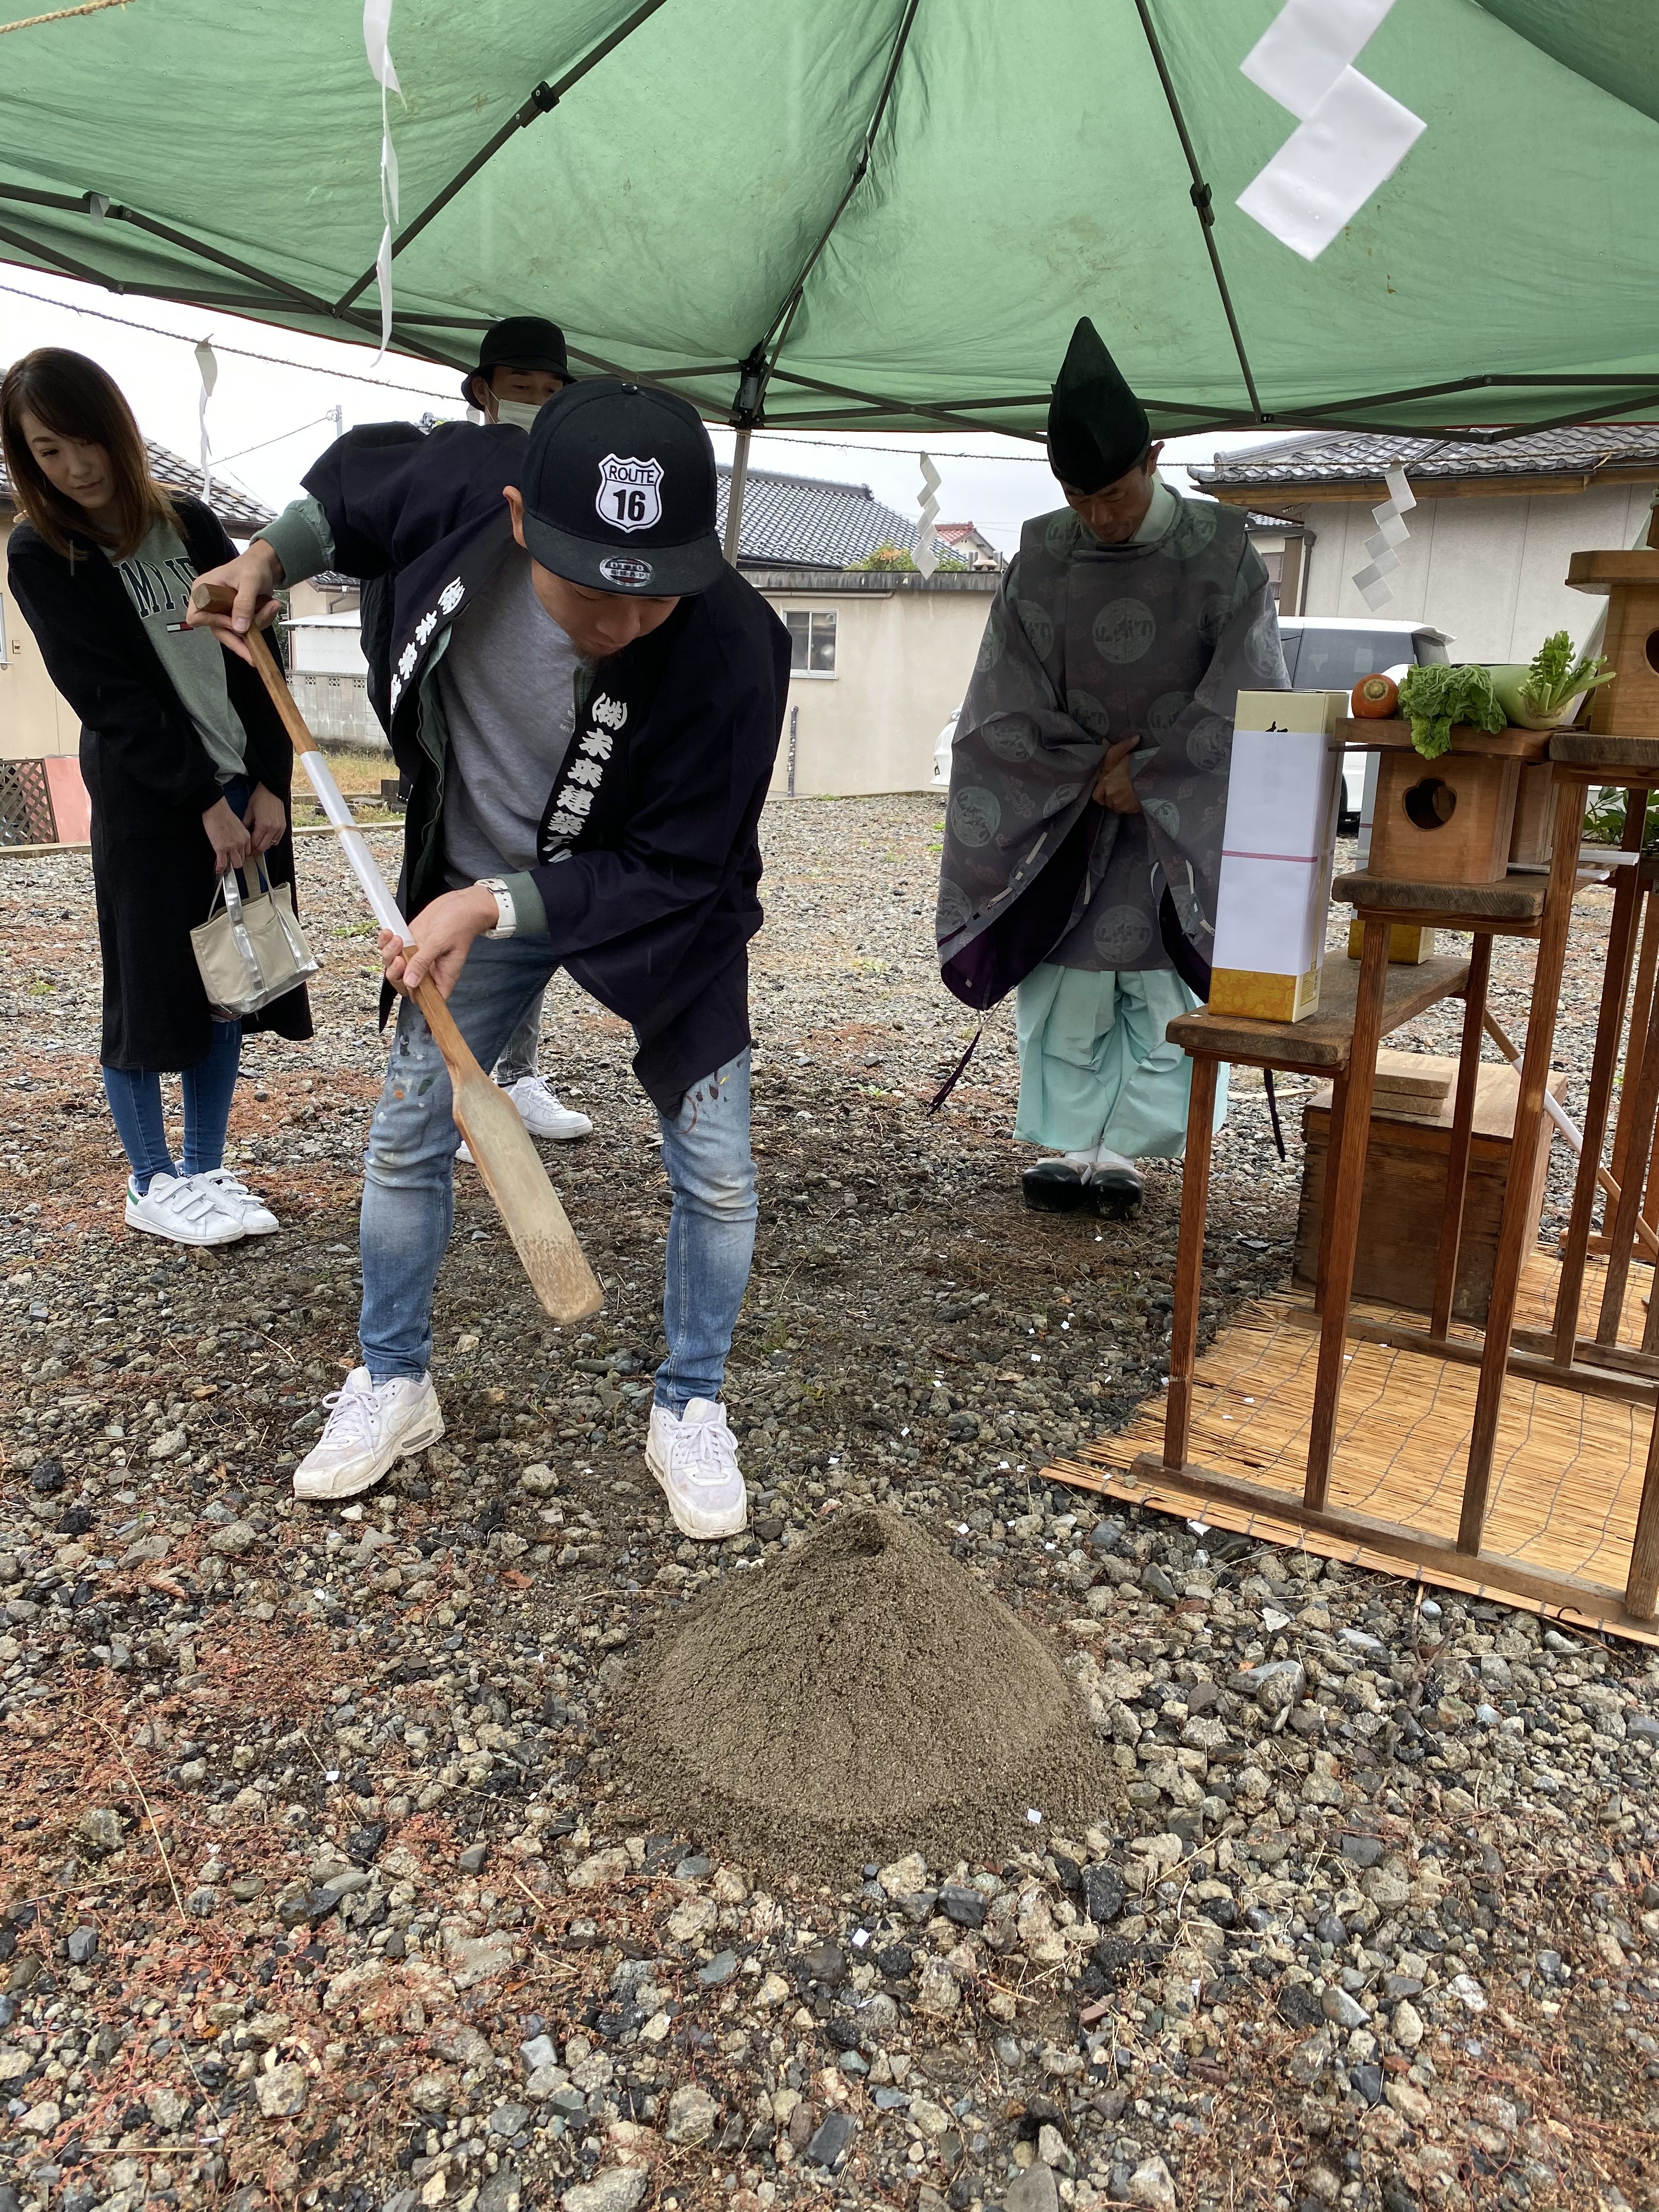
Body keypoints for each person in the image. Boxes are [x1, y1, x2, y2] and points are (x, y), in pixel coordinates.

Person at [190, 380, 790, 1537]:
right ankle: (393, 1379)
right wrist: (268, 556)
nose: (619, 627)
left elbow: (680, 866)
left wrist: (494, 907)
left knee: (717, 1162)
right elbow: (359, 486)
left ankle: (691, 1402)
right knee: (412, 1127)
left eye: (653, 600)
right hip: (470, 865)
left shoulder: (735, 646)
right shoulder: (468, 485)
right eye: (589, 597)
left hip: (662, 907)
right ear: (522, 520)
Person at [935, 317, 1287, 1218]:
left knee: (1155, 981)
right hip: (1070, 806)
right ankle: (1067, 1145)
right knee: (1073, 984)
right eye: (1080, 496)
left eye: (1117, 493)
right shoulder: (1041, 555)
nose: (1100, 514)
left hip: (1180, 806)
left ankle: (1129, 1154)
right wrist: (1088, 774)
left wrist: (1161, 775)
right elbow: (1001, 697)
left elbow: (1252, 691)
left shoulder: (1222, 551)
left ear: (1154, 458)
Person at [2, 348, 309, 1247]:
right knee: (146, 988)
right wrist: (200, 800)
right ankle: (151, 1180)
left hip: (242, 786)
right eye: (47, 451)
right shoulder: (41, 548)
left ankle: (206, 1167)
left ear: (119, 430)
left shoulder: (191, 523)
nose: (75, 467)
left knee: (234, 977)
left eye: (85, 440)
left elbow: (255, 661)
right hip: (151, 803)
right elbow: (109, 696)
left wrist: (266, 785)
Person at [363, 315, 592, 1149]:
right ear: (483, 392)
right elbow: (383, 594)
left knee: (535, 913)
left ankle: (515, 1075)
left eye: (549, 392)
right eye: (520, 390)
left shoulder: (579, 495)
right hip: (469, 763)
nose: (533, 404)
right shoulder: (441, 485)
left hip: (566, 769)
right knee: (465, 925)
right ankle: (465, 1079)